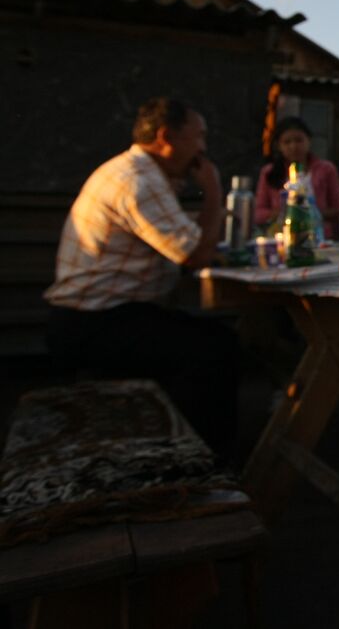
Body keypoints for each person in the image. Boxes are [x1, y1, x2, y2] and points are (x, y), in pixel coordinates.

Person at [45, 97, 239, 461]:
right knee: (215, 351)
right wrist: (213, 189)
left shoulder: (138, 173)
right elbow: (195, 255)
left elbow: (181, 239)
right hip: (94, 322)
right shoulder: (140, 179)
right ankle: (200, 465)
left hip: (98, 315)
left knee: (212, 340)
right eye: (199, 138)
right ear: (166, 136)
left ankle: (182, 447)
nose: (203, 149)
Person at [253, 116, 339, 239]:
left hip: (320, 237)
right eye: (287, 142)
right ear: (279, 146)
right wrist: (287, 214)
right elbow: (258, 213)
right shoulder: (269, 172)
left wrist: (308, 213)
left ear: (309, 141)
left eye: (299, 140)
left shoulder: (326, 169)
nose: (293, 146)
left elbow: (337, 209)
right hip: (281, 238)